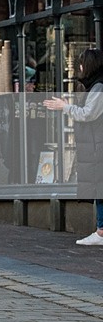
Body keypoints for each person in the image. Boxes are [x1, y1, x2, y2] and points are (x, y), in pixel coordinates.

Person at [44, 48, 103, 245]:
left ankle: (101, 232)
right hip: (96, 145)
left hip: (98, 147)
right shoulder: (95, 86)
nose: (78, 68)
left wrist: (65, 107)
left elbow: (88, 113)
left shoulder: (98, 87)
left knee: (99, 188)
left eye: (81, 64)